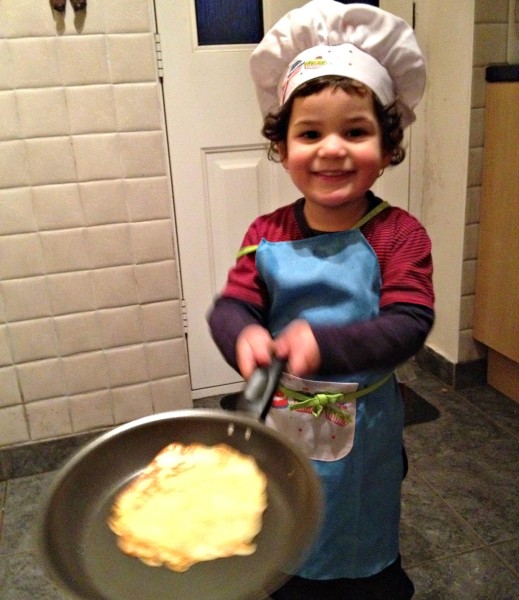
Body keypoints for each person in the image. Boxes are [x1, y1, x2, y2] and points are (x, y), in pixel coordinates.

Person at [208, 1, 434, 598]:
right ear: (281, 146)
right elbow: (233, 305)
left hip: (363, 426)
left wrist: (325, 344)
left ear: (388, 147)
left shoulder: (399, 235)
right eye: (309, 132)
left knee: (357, 550)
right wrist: (243, 333)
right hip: (277, 416)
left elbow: (410, 321)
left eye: (355, 131)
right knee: (283, 534)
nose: (331, 148)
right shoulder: (264, 233)